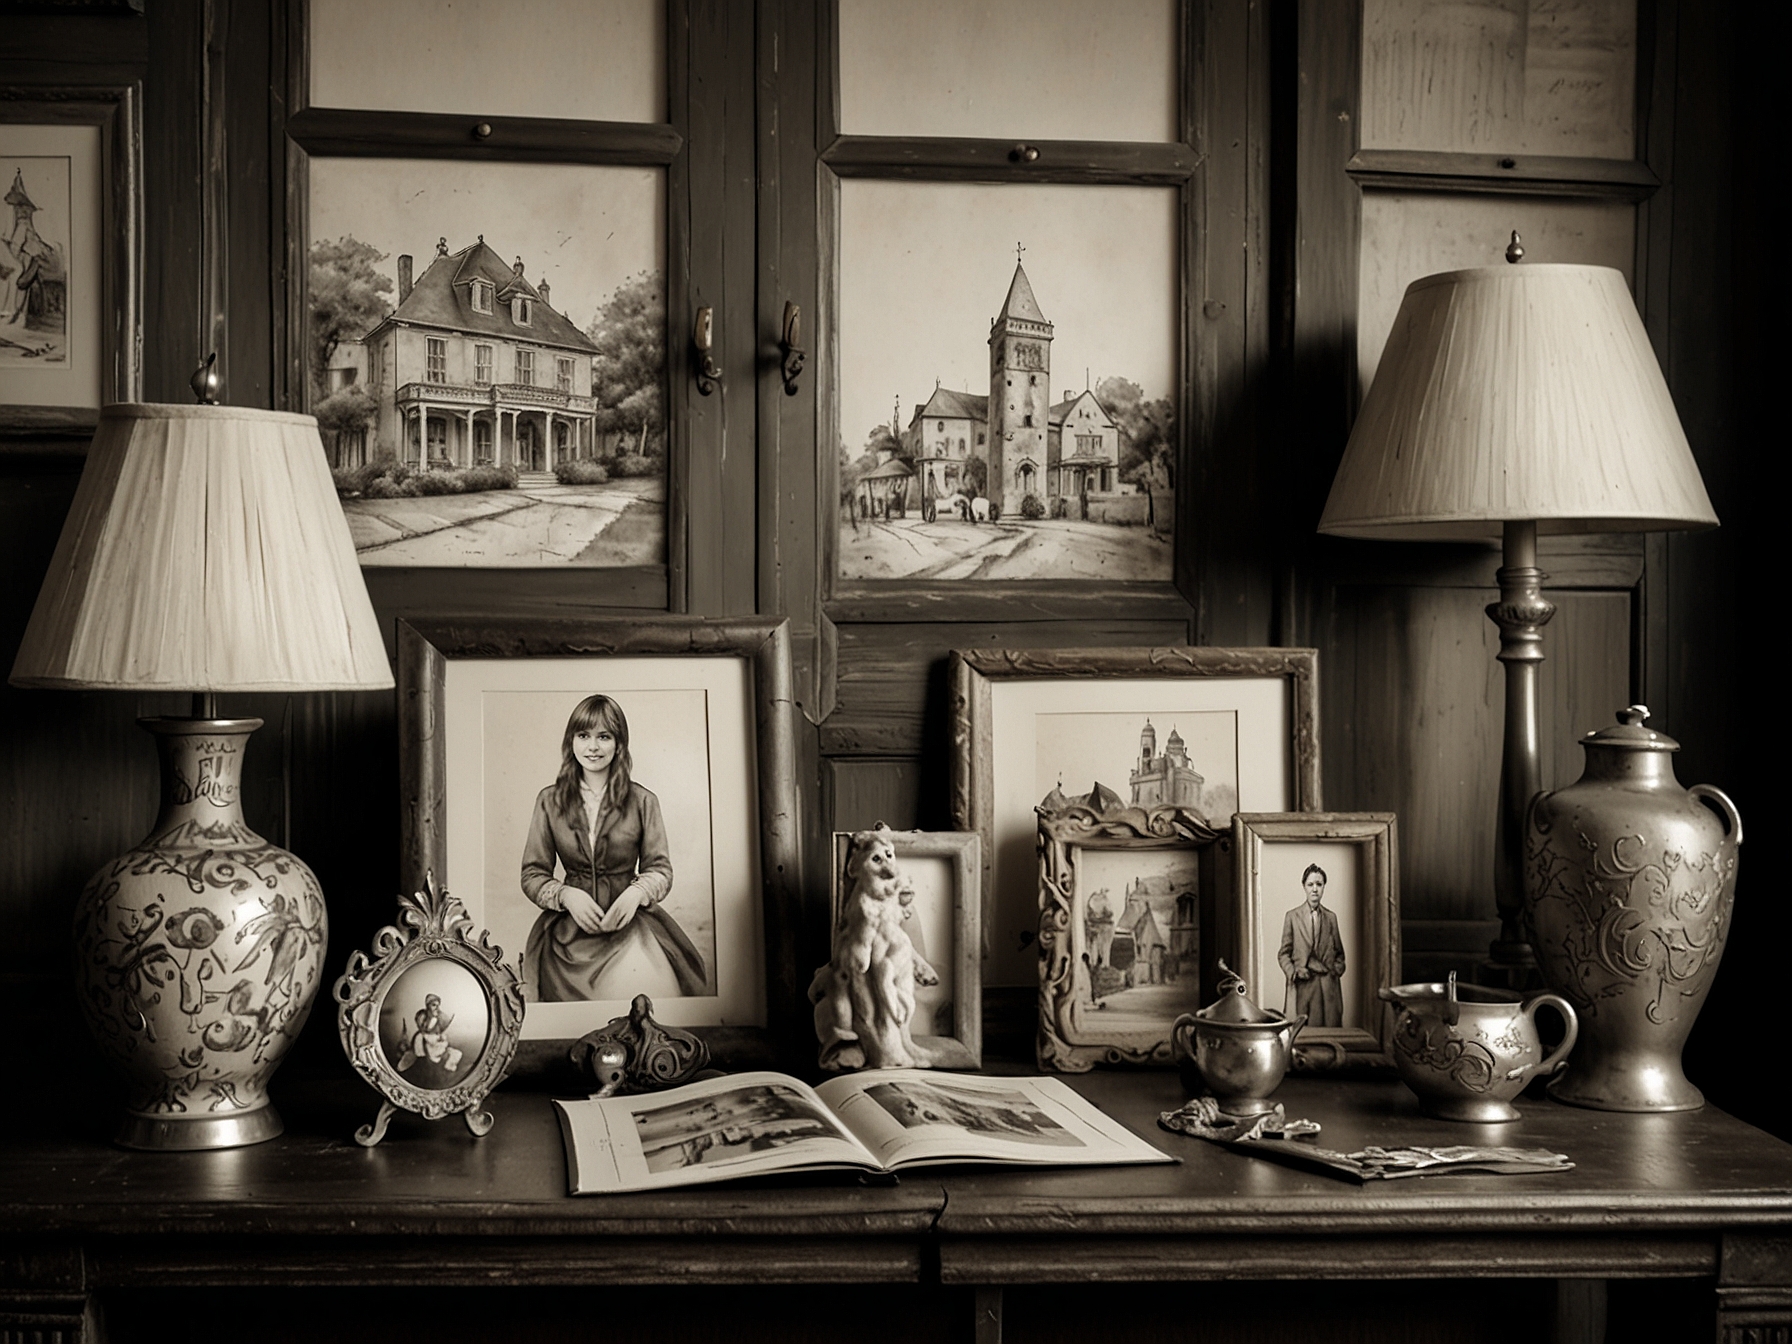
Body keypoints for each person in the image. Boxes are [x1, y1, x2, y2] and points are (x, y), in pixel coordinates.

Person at [520, 694, 706, 1002]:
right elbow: (532, 874)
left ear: (619, 743)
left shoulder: (643, 801)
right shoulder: (548, 801)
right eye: (583, 736)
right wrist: (566, 895)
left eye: (603, 736)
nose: (592, 747)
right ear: (571, 742)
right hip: (566, 937)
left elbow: (660, 869)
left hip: (630, 926)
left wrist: (635, 894)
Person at [1276, 863, 1346, 1027]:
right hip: (1303, 987)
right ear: (1304, 886)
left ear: (1323, 888)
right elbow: (1283, 954)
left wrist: (1334, 971)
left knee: (1330, 1032)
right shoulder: (1292, 916)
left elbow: (1340, 954)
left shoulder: (1331, 918)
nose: (1315, 889)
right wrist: (1293, 972)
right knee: (1302, 1033)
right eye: (1310, 884)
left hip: (1328, 991)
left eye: (1319, 884)